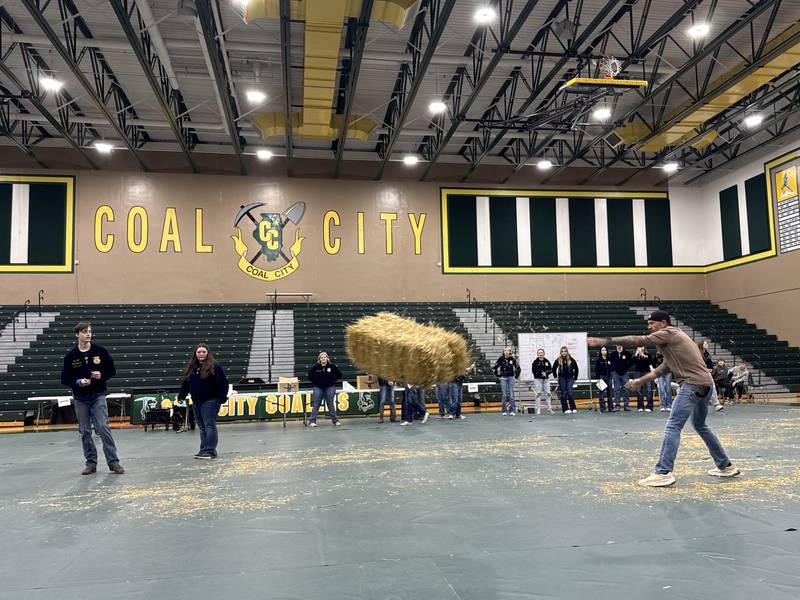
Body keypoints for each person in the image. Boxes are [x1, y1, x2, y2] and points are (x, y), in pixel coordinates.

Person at [588, 310, 740, 487]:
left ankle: (663, 472)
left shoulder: (669, 333)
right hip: (706, 386)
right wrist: (640, 380)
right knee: (700, 425)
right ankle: (725, 465)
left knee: (673, 425)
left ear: (663, 323)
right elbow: (663, 368)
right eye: (649, 324)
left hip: (692, 385)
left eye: (652, 323)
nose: (649, 326)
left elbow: (639, 340)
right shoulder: (676, 341)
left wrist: (604, 341)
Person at [61, 322, 124, 475]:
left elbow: (112, 370)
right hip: (81, 398)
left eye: (89, 331)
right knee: (85, 431)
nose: (88, 334)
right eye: (84, 332)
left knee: (103, 427)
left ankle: (113, 462)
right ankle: (91, 463)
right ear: (77, 334)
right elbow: (65, 378)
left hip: (98, 395)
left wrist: (101, 375)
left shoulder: (100, 351)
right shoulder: (71, 356)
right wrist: (78, 382)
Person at [178, 343, 229, 459]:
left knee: (209, 425)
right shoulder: (192, 367)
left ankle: (210, 450)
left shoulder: (215, 366)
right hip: (196, 401)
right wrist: (181, 395)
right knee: (201, 427)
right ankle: (203, 449)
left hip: (211, 401)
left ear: (208, 353)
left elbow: (223, 383)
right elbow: (186, 383)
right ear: (195, 354)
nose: (201, 354)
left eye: (203, 352)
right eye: (199, 352)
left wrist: (222, 398)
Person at [308, 352, 342, 427]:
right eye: (322, 357)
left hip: (330, 387)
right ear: (319, 359)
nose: (323, 358)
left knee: (330, 404)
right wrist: (315, 382)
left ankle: (335, 421)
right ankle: (312, 421)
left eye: (325, 357)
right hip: (318, 388)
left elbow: (339, 375)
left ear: (327, 358)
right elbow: (309, 375)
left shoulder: (332, 366)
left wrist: (333, 380)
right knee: (316, 404)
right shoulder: (315, 367)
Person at [696, 342, 723, 412]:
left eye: (707, 344)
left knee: (712, 387)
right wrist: (704, 368)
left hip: (707, 372)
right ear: (701, 345)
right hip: (699, 373)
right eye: (705, 344)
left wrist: (711, 368)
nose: (707, 345)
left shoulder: (707, 354)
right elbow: (697, 363)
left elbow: (710, 363)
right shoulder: (697, 353)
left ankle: (716, 404)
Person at [494, 346, 521, 415]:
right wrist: (498, 375)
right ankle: (504, 411)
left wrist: (516, 377)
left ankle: (512, 411)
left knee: (511, 395)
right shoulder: (501, 359)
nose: (506, 352)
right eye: (505, 350)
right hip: (503, 378)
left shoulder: (512, 359)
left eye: (508, 350)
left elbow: (518, 368)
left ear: (510, 352)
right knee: (504, 395)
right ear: (503, 352)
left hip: (511, 378)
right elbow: (494, 368)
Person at [552, 346, 579, 414]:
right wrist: (555, 377)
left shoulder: (571, 359)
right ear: (561, 352)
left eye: (565, 351)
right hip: (562, 378)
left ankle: (573, 407)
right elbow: (553, 368)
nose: (564, 353)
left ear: (567, 352)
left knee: (570, 393)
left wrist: (575, 378)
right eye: (562, 351)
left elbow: (576, 369)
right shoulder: (558, 360)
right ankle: (565, 409)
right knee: (563, 393)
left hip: (570, 378)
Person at [609, 345, 632, 411]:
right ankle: (617, 405)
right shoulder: (613, 354)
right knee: (616, 390)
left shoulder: (627, 353)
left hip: (625, 373)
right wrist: (614, 368)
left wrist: (625, 367)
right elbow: (611, 363)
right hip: (616, 374)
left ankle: (626, 405)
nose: (619, 347)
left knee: (626, 389)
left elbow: (630, 362)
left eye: (620, 345)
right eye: (618, 345)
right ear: (616, 346)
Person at [632, 346, 654, 412]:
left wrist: (643, 355)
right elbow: (632, 363)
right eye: (638, 347)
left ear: (644, 348)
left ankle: (649, 406)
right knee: (639, 390)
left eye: (641, 347)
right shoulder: (635, 355)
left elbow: (650, 362)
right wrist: (636, 354)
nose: (640, 349)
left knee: (649, 389)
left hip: (646, 372)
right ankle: (640, 406)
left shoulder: (647, 354)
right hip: (638, 373)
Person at [531, 348, 553, 414]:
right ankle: (538, 410)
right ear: (537, 354)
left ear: (544, 353)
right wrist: (540, 373)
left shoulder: (547, 361)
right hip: (538, 379)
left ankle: (549, 409)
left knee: (548, 394)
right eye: (539, 353)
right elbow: (533, 371)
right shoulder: (535, 362)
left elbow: (550, 370)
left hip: (546, 379)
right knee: (538, 394)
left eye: (542, 353)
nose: (540, 354)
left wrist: (546, 373)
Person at [594, 347, 613, 413]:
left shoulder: (610, 359)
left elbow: (612, 368)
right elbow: (596, 370)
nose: (604, 351)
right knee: (602, 394)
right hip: (602, 377)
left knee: (610, 393)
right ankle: (603, 408)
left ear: (607, 351)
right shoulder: (598, 360)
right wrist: (598, 379)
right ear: (600, 351)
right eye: (602, 350)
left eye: (605, 350)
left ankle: (611, 408)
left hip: (609, 377)